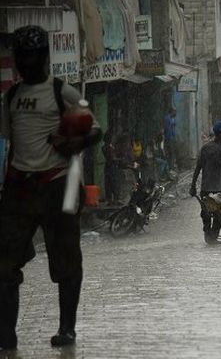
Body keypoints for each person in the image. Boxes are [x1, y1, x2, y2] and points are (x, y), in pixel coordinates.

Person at [0, 25, 102, 350]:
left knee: (67, 260)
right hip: (20, 188)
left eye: (32, 55)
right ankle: (6, 335)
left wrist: (72, 142)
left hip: (57, 184)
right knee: (4, 264)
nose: (26, 62)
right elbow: (12, 145)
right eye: (22, 56)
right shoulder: (11, 97)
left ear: (44, 57)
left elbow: (95, 130)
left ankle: (67, 329)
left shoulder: (64, 92)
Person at [189, 121, 221, 245]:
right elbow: (198, 167)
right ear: (220, 133)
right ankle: (208, 234)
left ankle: (212, 237)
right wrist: (192, 185)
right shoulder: (207, 148)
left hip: (219, 188)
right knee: (206, 213)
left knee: (219, 216)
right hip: (208, 187)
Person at [102, 132, 120, 205]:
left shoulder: (107, 147)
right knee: (113, 182)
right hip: (111, 167)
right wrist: (120, 159)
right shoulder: (108, 147)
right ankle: (114, 199)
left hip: (108, 167)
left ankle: (110, 200)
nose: (114, 139)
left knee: (109, 183)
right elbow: (112, 158)